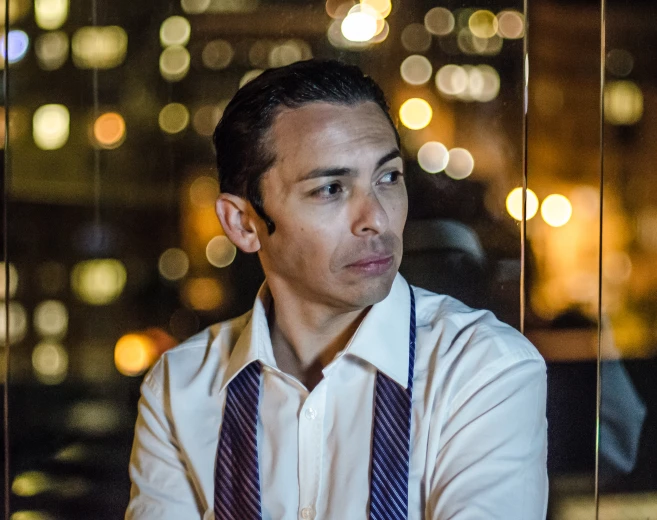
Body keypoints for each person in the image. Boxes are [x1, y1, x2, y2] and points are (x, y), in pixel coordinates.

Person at [125, 59, 547, 520]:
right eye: (331, 189)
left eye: (388, 178)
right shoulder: (179, 387)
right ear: (244, 224)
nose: (378, 219)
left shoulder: (482, 370)